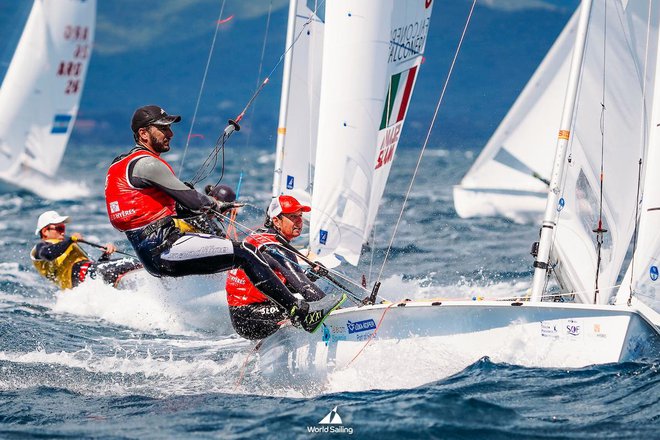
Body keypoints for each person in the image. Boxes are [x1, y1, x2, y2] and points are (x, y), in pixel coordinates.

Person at [104, 104, 345, 333]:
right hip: (165, 246)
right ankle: (299, 312)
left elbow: (172, 208)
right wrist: (214, 204)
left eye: (170, 127)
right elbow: (194, 203)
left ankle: (293, 308)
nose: (170, 133)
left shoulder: (120, 165)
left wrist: (201, 205)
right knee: (246, 253)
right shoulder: (147, 164)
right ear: (143, 133)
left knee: (241, 255)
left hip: (153, 252)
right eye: (163, 128)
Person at [225, 195, 332, 340]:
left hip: (246, 314)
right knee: (302, 306)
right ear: (276, 221)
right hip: (250, 318)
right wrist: (333, 309)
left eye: (300, 216)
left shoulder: (261, 237)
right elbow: (304, 287)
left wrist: (311, 276)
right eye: (293, 217)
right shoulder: (275, 248)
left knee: (301, 301)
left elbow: (278, 285)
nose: (299, 222)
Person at [31, 210, 142, 290]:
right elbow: (49, 254)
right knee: (129, 263)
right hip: (80, 278)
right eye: (59, 228)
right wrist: (70, 240)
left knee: (130, 263)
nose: (63, 232)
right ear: (45, 231)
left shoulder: (64, 244)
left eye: (63, 228)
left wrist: (106, 255)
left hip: (85, 276)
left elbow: (97, 266)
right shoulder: (40, 248)